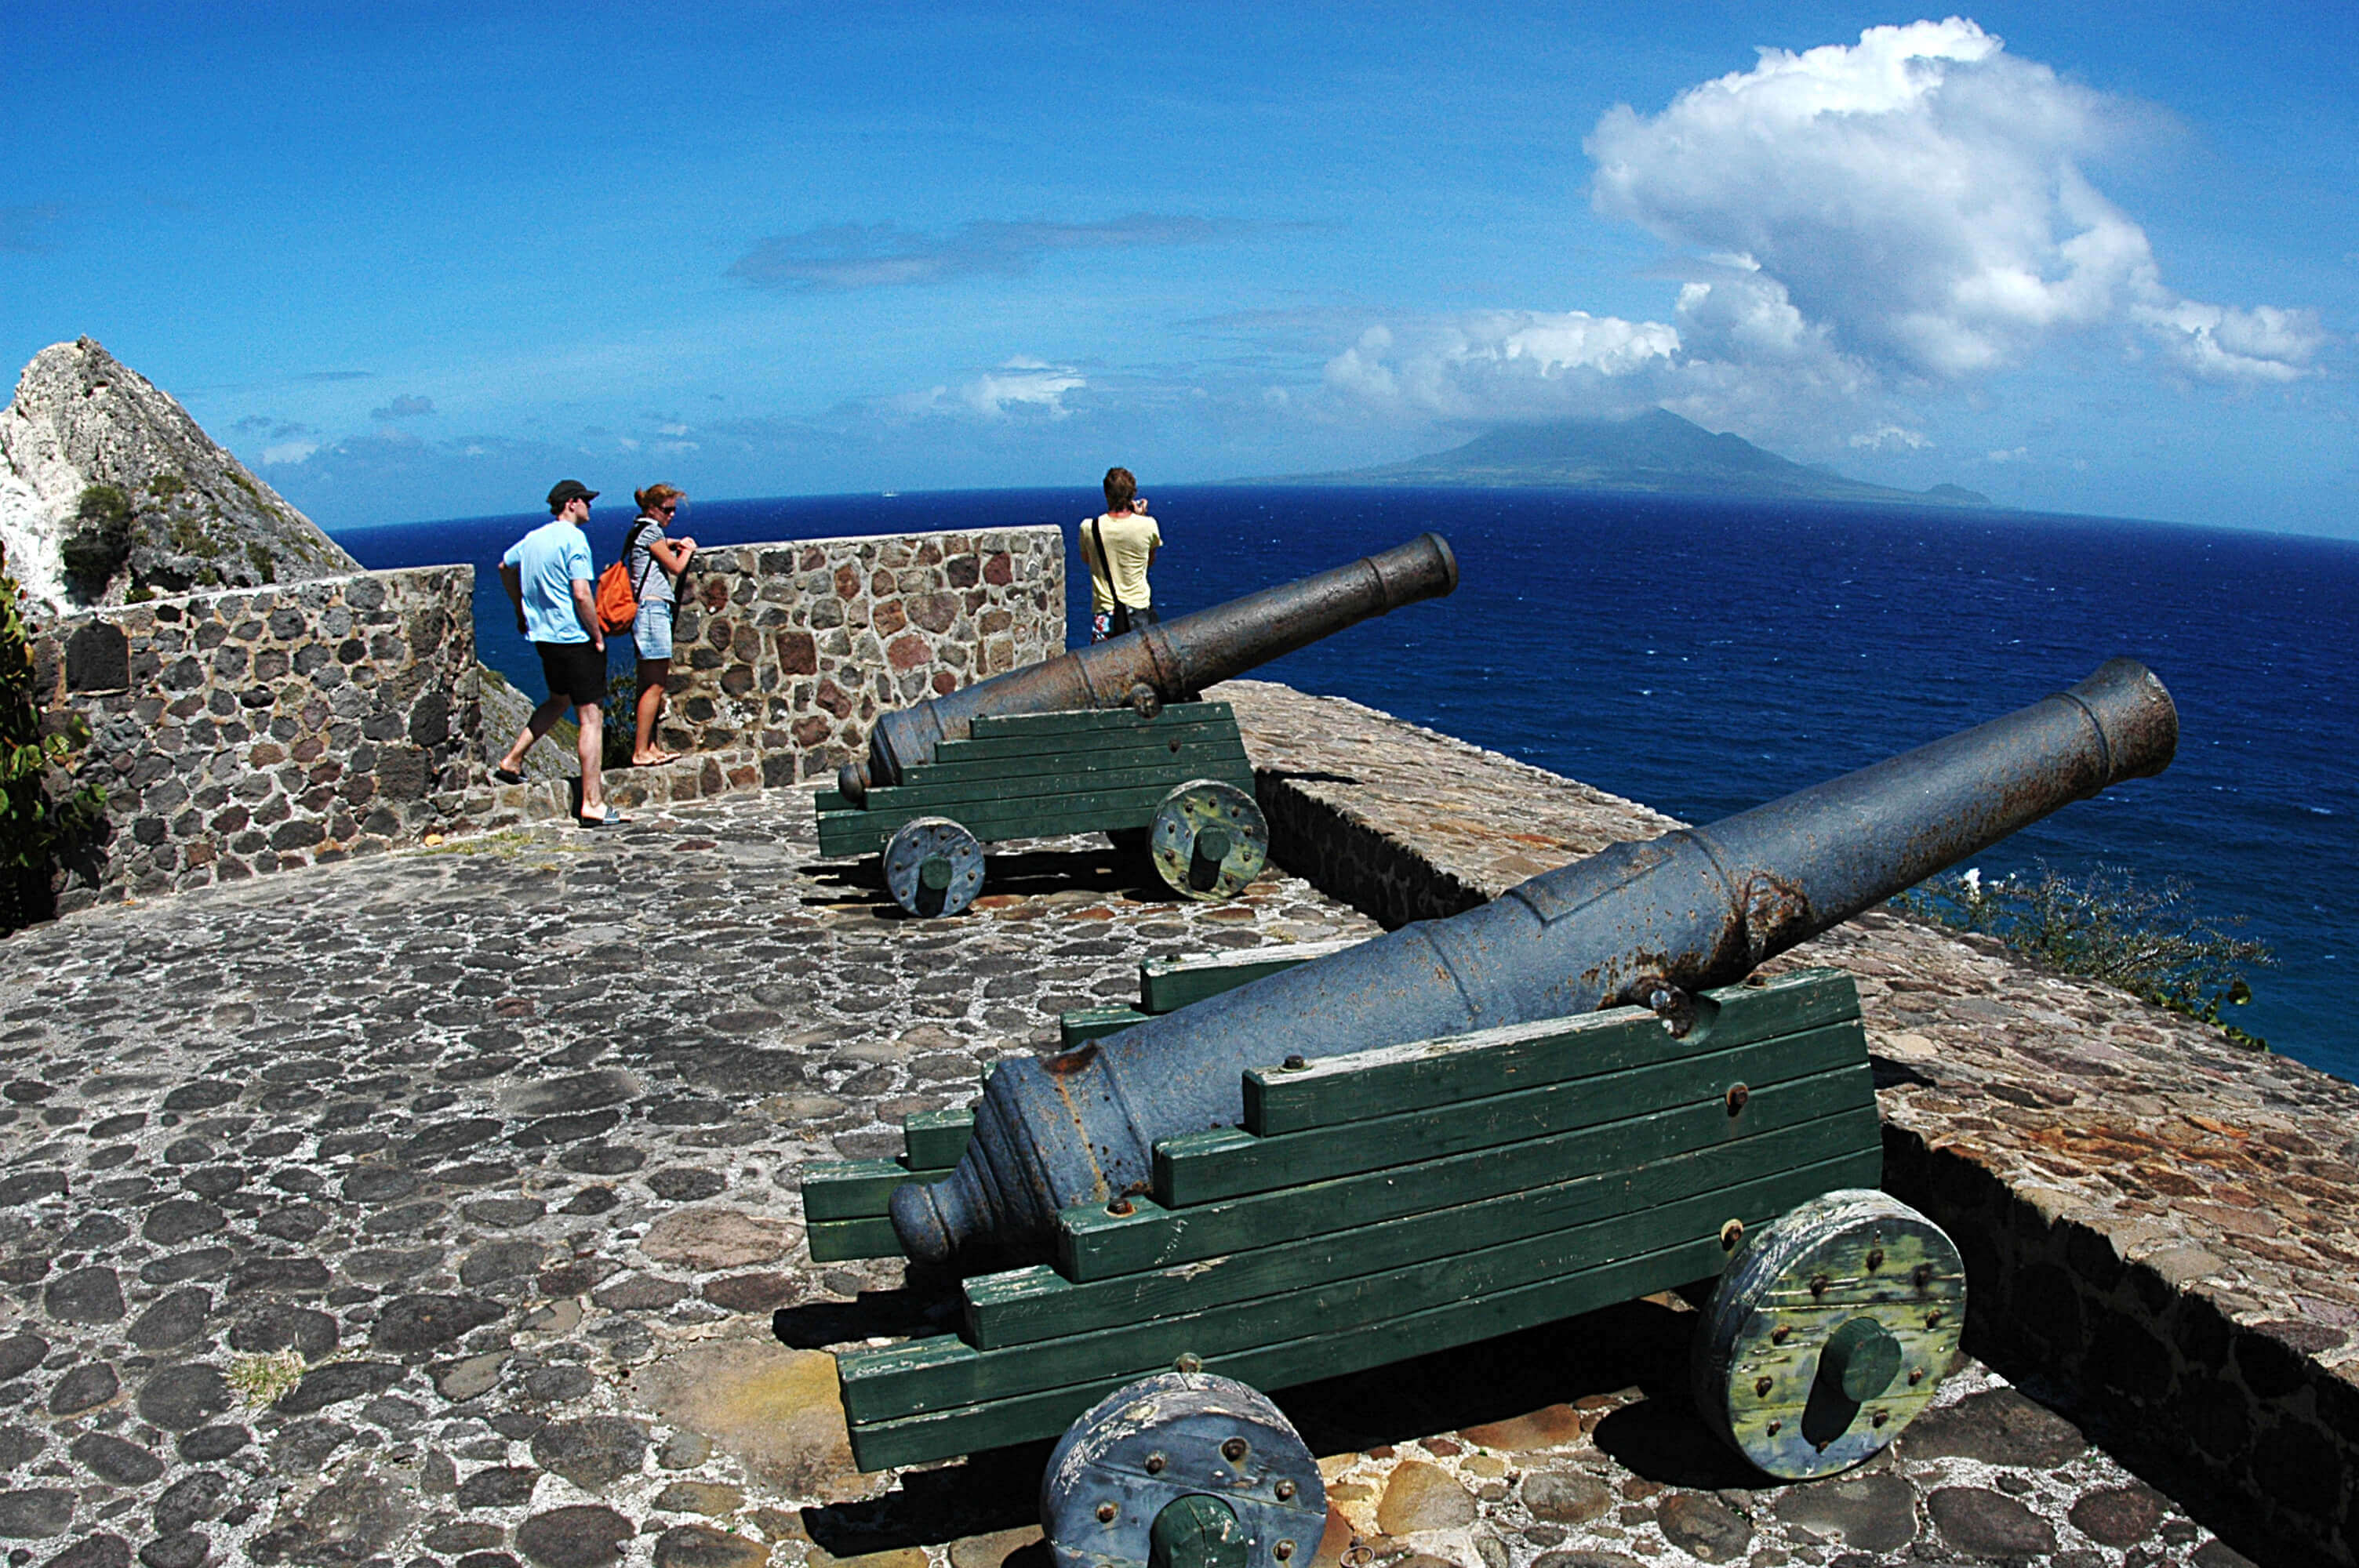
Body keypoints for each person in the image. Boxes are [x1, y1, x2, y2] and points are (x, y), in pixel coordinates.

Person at [490, 479, 621, 826]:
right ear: (573, 503)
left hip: (544, 637)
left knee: (557, 700)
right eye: (587, 502)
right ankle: (592, 802)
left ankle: (512, 761)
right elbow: (582, 594)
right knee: (590, 719)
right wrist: (597, 635)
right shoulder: (574, 539)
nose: (590, 508)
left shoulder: (534, 538)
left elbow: (505, 567)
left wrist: (521, 609)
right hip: (574, 637)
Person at [623, 483, 698, 766]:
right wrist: (687, 548)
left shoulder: (640, 529)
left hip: (646, 610)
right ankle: (642, 750)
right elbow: (676, 568)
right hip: (653, 610)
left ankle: (649, 745)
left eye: (673, 511)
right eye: (667, 511)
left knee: (647, 684)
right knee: (655, 684)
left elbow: (658, 546)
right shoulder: (652, 530)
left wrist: (672, 541)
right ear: (651, 509)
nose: (671, 516)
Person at [1078, 466, 1161, 642]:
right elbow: (1149, 561)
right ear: (1132, 494)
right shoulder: (1148, 525)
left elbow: (1087, 559)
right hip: (1139, 610)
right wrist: (1142, 517)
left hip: (1105, 611)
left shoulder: (1089, 527)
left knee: (1102, 665)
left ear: (1106, 493)